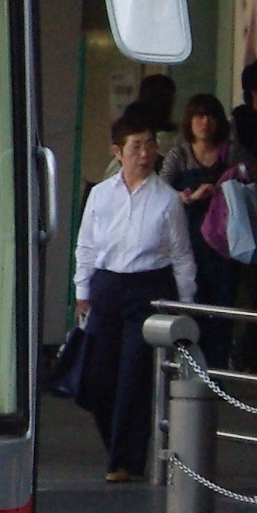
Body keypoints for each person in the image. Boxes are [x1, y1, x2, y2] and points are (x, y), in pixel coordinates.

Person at [72, 107, 196, 483]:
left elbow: (181, 256)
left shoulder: (167, 200)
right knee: (97, 379)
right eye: (136, 146)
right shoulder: (100, 195)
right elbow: (86, 244)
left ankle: (125, 458)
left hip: (148, 289)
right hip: (107, 287)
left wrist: (186, 306)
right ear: (117, 151)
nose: (145, 153)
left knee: (134, 377)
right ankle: (116, 444)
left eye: (150, 145)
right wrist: (82, 288)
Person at [161, 95, 240, 362]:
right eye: (198, 116)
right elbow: (163, 191)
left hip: (225, 241)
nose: (205, 122)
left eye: (211, 116)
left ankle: (217, 370)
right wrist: (189, 197)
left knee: (223, 305)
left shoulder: (231, 153)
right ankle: (188, 367)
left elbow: (255, 178)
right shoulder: (180, 154)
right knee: (190, 301)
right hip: (189, 239)